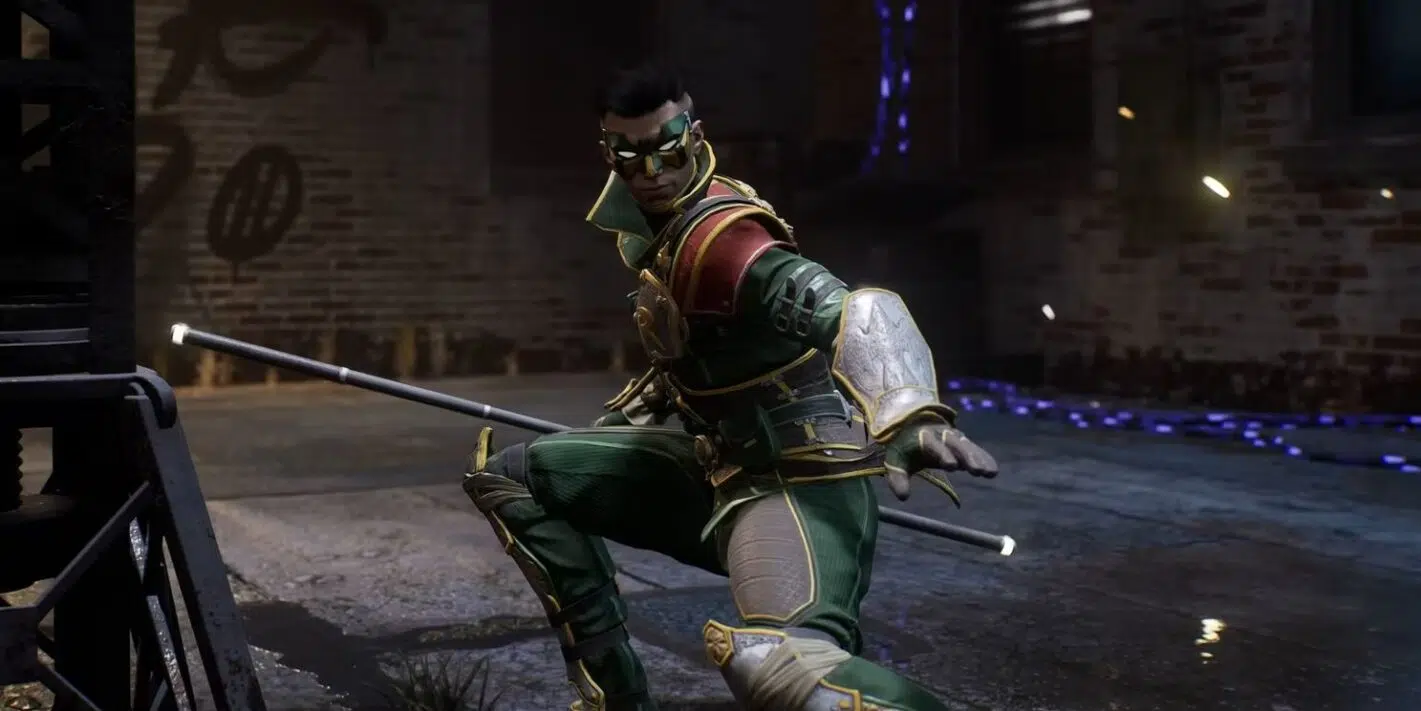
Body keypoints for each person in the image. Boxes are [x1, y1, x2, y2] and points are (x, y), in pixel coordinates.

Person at [461, 64, 999, 711]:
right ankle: (615, 699)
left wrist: (909, 412)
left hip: (796, 483)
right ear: (609, 155)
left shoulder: (723, 240)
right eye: (630, 159)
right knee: (517, 477)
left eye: (666, 151)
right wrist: (647, 405)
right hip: (721, 469)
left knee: (779, 667)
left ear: (694, 136)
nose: (651, 173)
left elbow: (849, 310)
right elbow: (708, 350)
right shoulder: (667, 232)